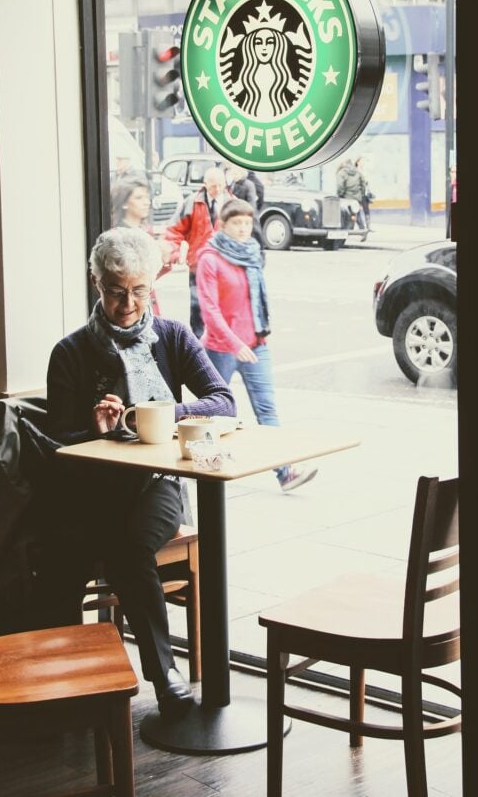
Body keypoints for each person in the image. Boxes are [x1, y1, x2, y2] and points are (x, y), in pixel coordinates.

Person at [46, 227, 236, 720]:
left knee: (125, 546)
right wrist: (95, 428)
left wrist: (158, 413)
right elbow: (57, 445)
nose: (127, 303)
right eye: (115, 291)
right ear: (96, 283)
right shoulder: (70, 353)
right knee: (75, 548)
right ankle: (71, 680)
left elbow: (223, 401)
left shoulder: (172, 336)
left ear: (152, 286)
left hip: (156, 486)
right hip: (90, 492)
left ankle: (160, 674)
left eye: (138, 290)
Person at [195, 198, 317, 493]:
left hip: (256, 345)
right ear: (223, 225)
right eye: (237, 223)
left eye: (248, 223)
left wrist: (254, 337)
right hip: (221, 348)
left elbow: (254, 302)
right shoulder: (210, 259)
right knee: (215, 413)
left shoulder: (251, 254)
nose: (243, 229)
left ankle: (285, 473)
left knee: (267, 410)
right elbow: (210, 310)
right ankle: (206, 468)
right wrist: (234, 343)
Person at [163, 166, 231, 338]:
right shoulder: (192, 203)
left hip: (224, 266)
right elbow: (174, 230)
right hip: (198, 266)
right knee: (197, 306)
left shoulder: (232, 203)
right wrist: (175, 252)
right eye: (214, 186)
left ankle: (219, 343)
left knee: (222, 306)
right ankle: (198, 344)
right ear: (205, 184)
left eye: (221, 185)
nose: (218, 190)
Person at [336, 156, 366, 230]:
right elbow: (363, 184)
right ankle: (362, 230)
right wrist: (361, 195)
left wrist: (340, 195)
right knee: (357, 213)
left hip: (346, 198)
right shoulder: (358, 172)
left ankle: (347, 230)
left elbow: (340, 185)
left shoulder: (342, 172)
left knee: (346, 214)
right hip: (357, 197)